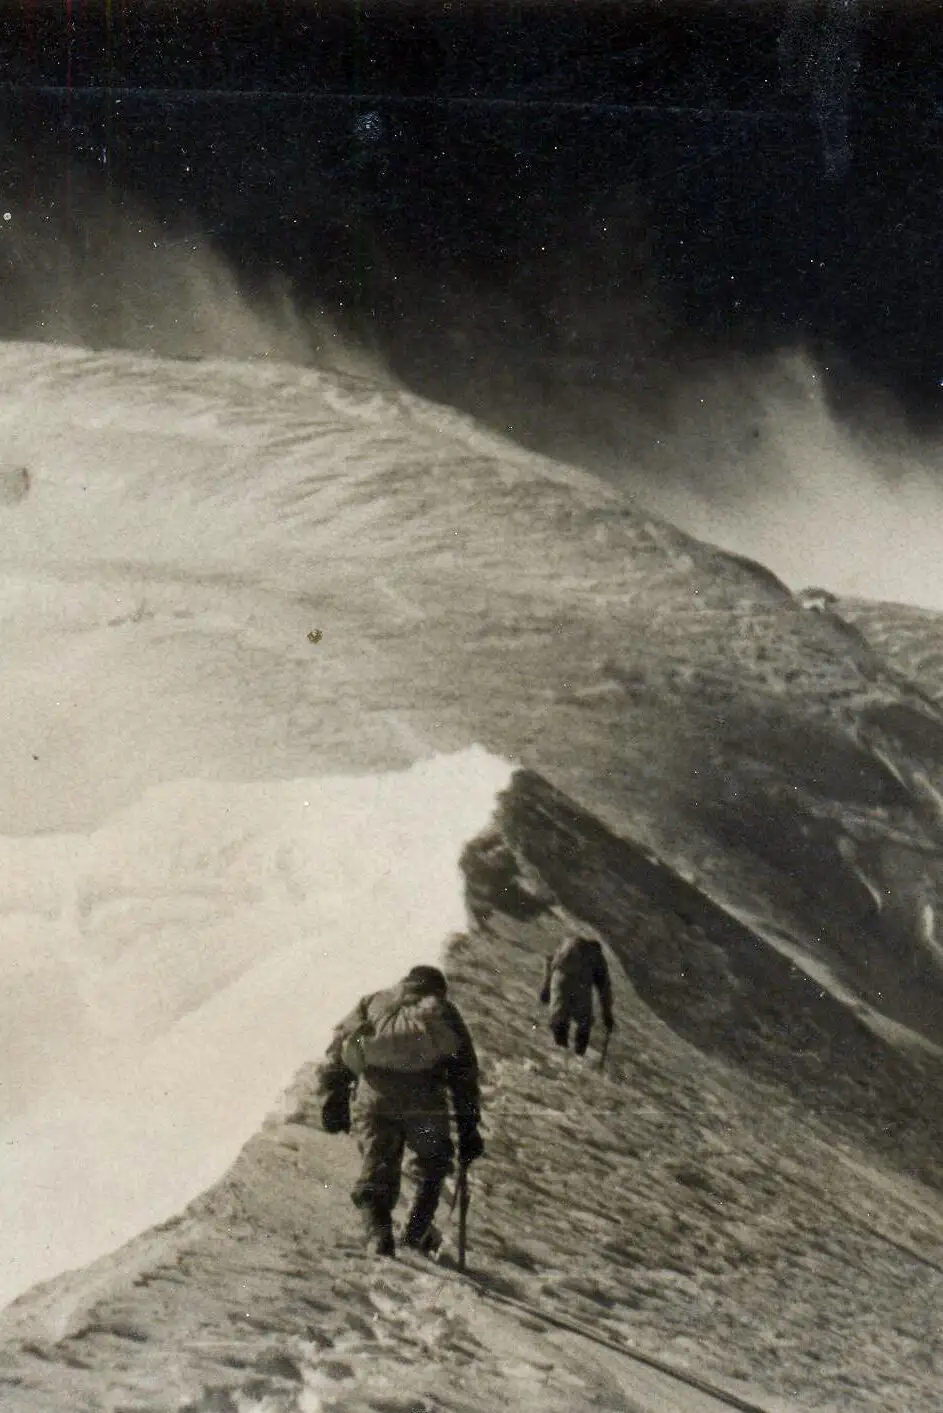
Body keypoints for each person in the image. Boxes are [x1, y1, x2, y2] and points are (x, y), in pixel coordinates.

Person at [316, 963, 485, 1258]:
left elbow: (342, 1047)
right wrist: (469, 1129)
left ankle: (378, 1233)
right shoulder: (444, 1012)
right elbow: (464, 1074)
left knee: (378, 1162)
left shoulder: (374, 1001)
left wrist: (335, 1095)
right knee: (433, 1163)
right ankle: (416, 1232)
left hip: (373, 1096)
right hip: (425, 1102)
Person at [540, 934, 614, 1056]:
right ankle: (578, 1054)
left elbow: (551, 963)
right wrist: (607, 1015)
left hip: (559, 979)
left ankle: (559, 1049)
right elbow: (604, 988)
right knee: (584, 1021)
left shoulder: (567, 945)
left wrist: (546, 989)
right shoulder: (597, 957)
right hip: (581, 984)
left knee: (559, 1017)